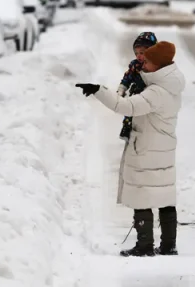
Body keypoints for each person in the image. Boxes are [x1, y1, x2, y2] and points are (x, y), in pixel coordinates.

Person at [76, 40, 185, 257]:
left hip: (146, 148)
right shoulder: (172, 86)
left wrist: (99, 90)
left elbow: (125, 105)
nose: (144, 64)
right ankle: (168, 245)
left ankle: (144, 246)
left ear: (159, 65)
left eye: (149, 62)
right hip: (163, 147)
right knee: (165, 197)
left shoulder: (156, 92)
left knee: (141, 195)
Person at [118, 32, 158, 141]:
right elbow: (128, 77)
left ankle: (153, 131)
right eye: (136, 53)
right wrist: (122, 88)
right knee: (130, 109)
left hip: (152, 95)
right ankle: (127, 127)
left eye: (142, 52)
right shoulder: (135, 65)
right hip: (137, 93)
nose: (138, 56)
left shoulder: (157, 66)